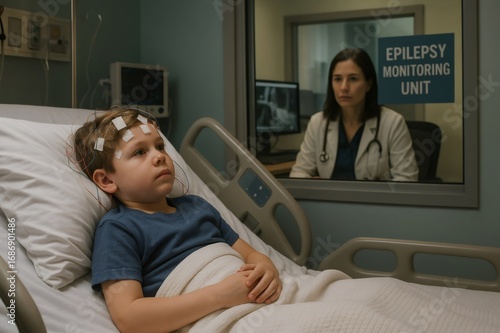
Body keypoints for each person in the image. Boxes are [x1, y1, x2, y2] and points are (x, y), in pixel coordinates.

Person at [73, 109, 282, 333]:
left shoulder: (197, 206)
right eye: (140, 152)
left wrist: (266, 267)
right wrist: (221, 295)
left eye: (160, 146)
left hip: (265, 298)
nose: (159, 156)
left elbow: (250, 254)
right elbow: (129, 317)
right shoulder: (118, 229)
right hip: (227, 318)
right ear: (106, 179)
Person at [289, 48, 418, 181]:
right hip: (328, 201)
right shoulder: (318, 122)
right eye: (338, 79)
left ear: (369, 84)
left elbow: (407, 179)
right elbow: (299, 172)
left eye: (353, 79)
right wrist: (311, 185)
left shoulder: (392, 123)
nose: (344, 87)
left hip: (374, 201)